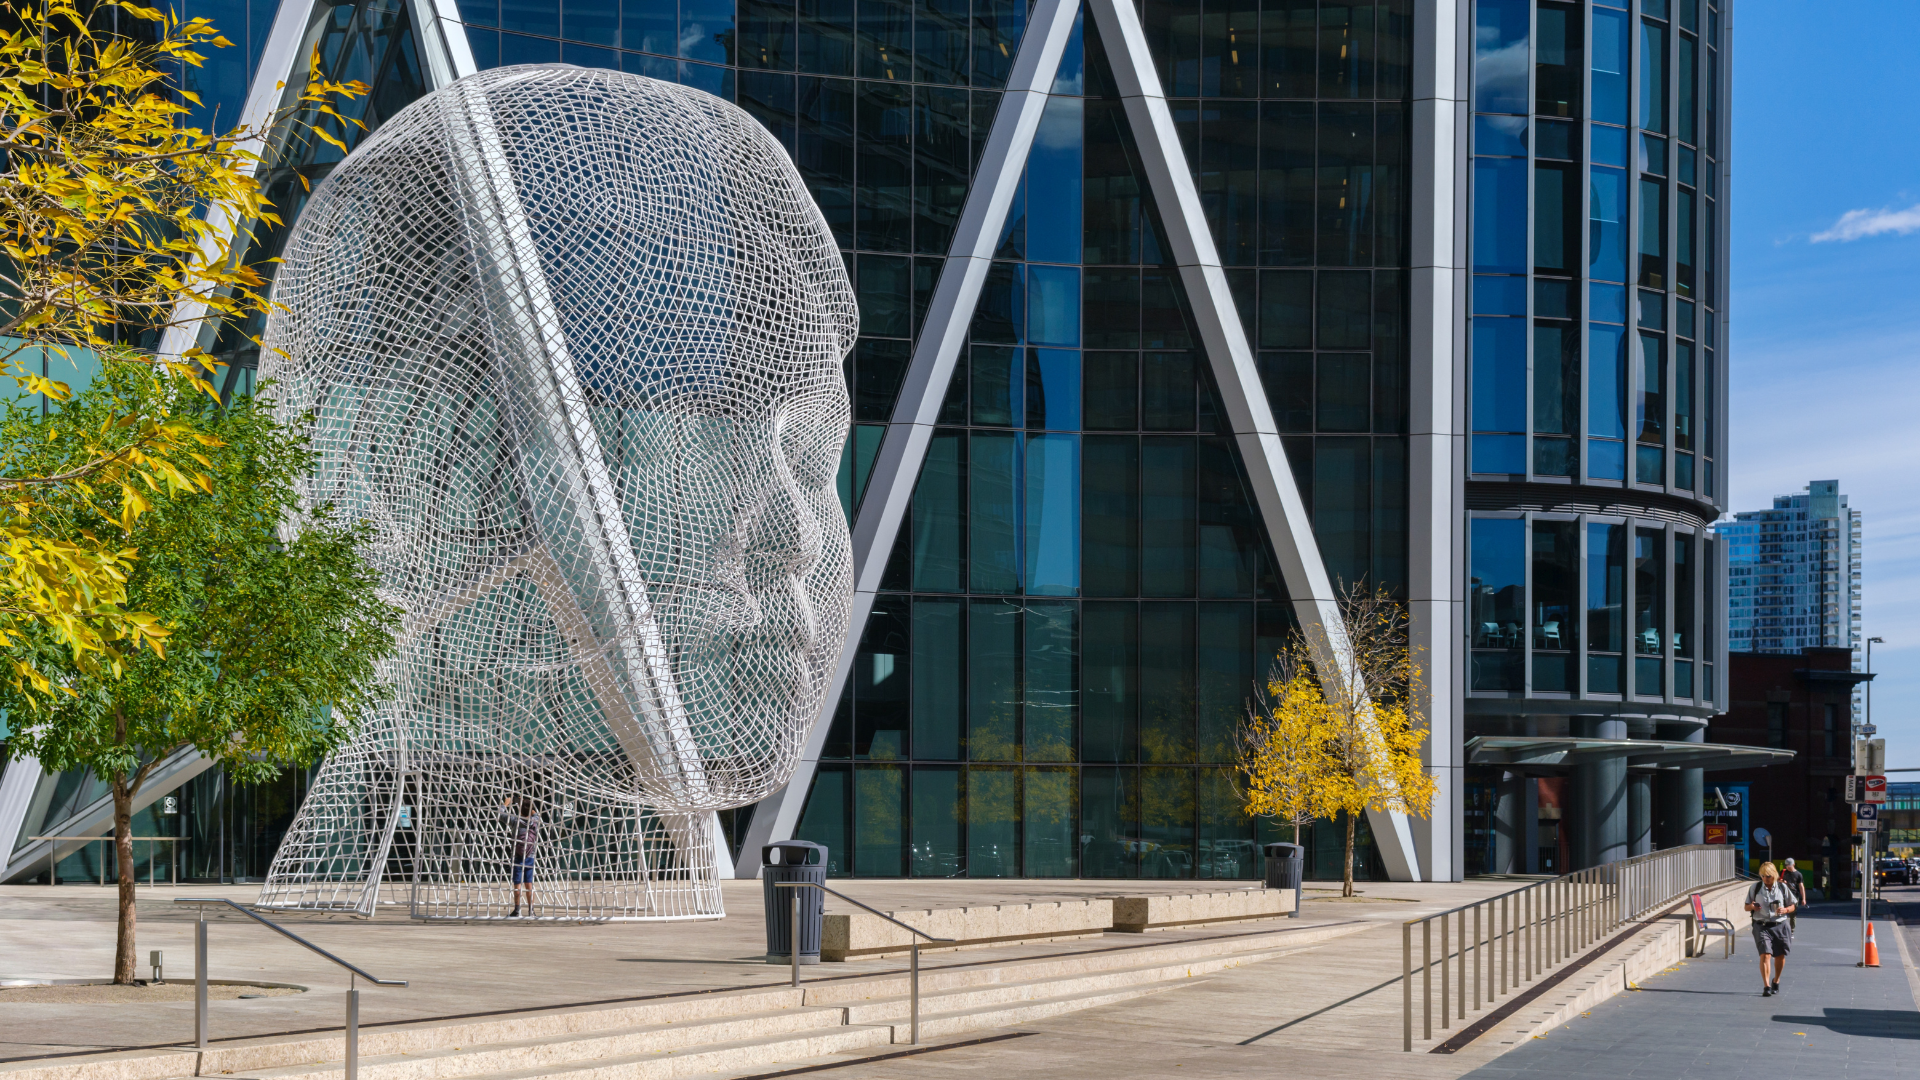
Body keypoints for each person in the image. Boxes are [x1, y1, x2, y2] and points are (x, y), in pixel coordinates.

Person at [1745, 861, 1797, 996]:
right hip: (1761, 925)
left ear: (1774, 875)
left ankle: (1776, 980)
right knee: (1765, 954)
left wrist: (1785, 910)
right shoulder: (1755, 887)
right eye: (1762, 876)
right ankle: (1766, 986)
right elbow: (1746, 906)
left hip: (1780, 925)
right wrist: (1752, 907)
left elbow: (1793, 905)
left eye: (1768, 876)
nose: (1765, 879)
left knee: (1779, 956)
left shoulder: (1782, 887)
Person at [501, 798, 541, 918]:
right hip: (530, 856)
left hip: (517, 856)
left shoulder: (515, 820)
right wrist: (528, 805)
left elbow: (500, 814)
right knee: (529, 884)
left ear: (520, 809)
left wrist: (505, 804)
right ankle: (531, 910)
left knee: (517, 883)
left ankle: (517, 910)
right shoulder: (535, 820)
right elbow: (535, 813)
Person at [1780, 858, 1807, 930]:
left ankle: (1791, 930)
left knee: (1793, 914)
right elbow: (1777, 880)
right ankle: (1781, 929)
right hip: (1783, 895)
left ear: (1794, 864)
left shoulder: (1798, 874)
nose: (1788, 867)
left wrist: (1803, 899)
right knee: (1781, 912)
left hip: (1793, 895)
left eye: (1789, 866)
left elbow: (1801, 887)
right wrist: (1782, 881)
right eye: (1786, 866)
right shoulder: (1783, 872)